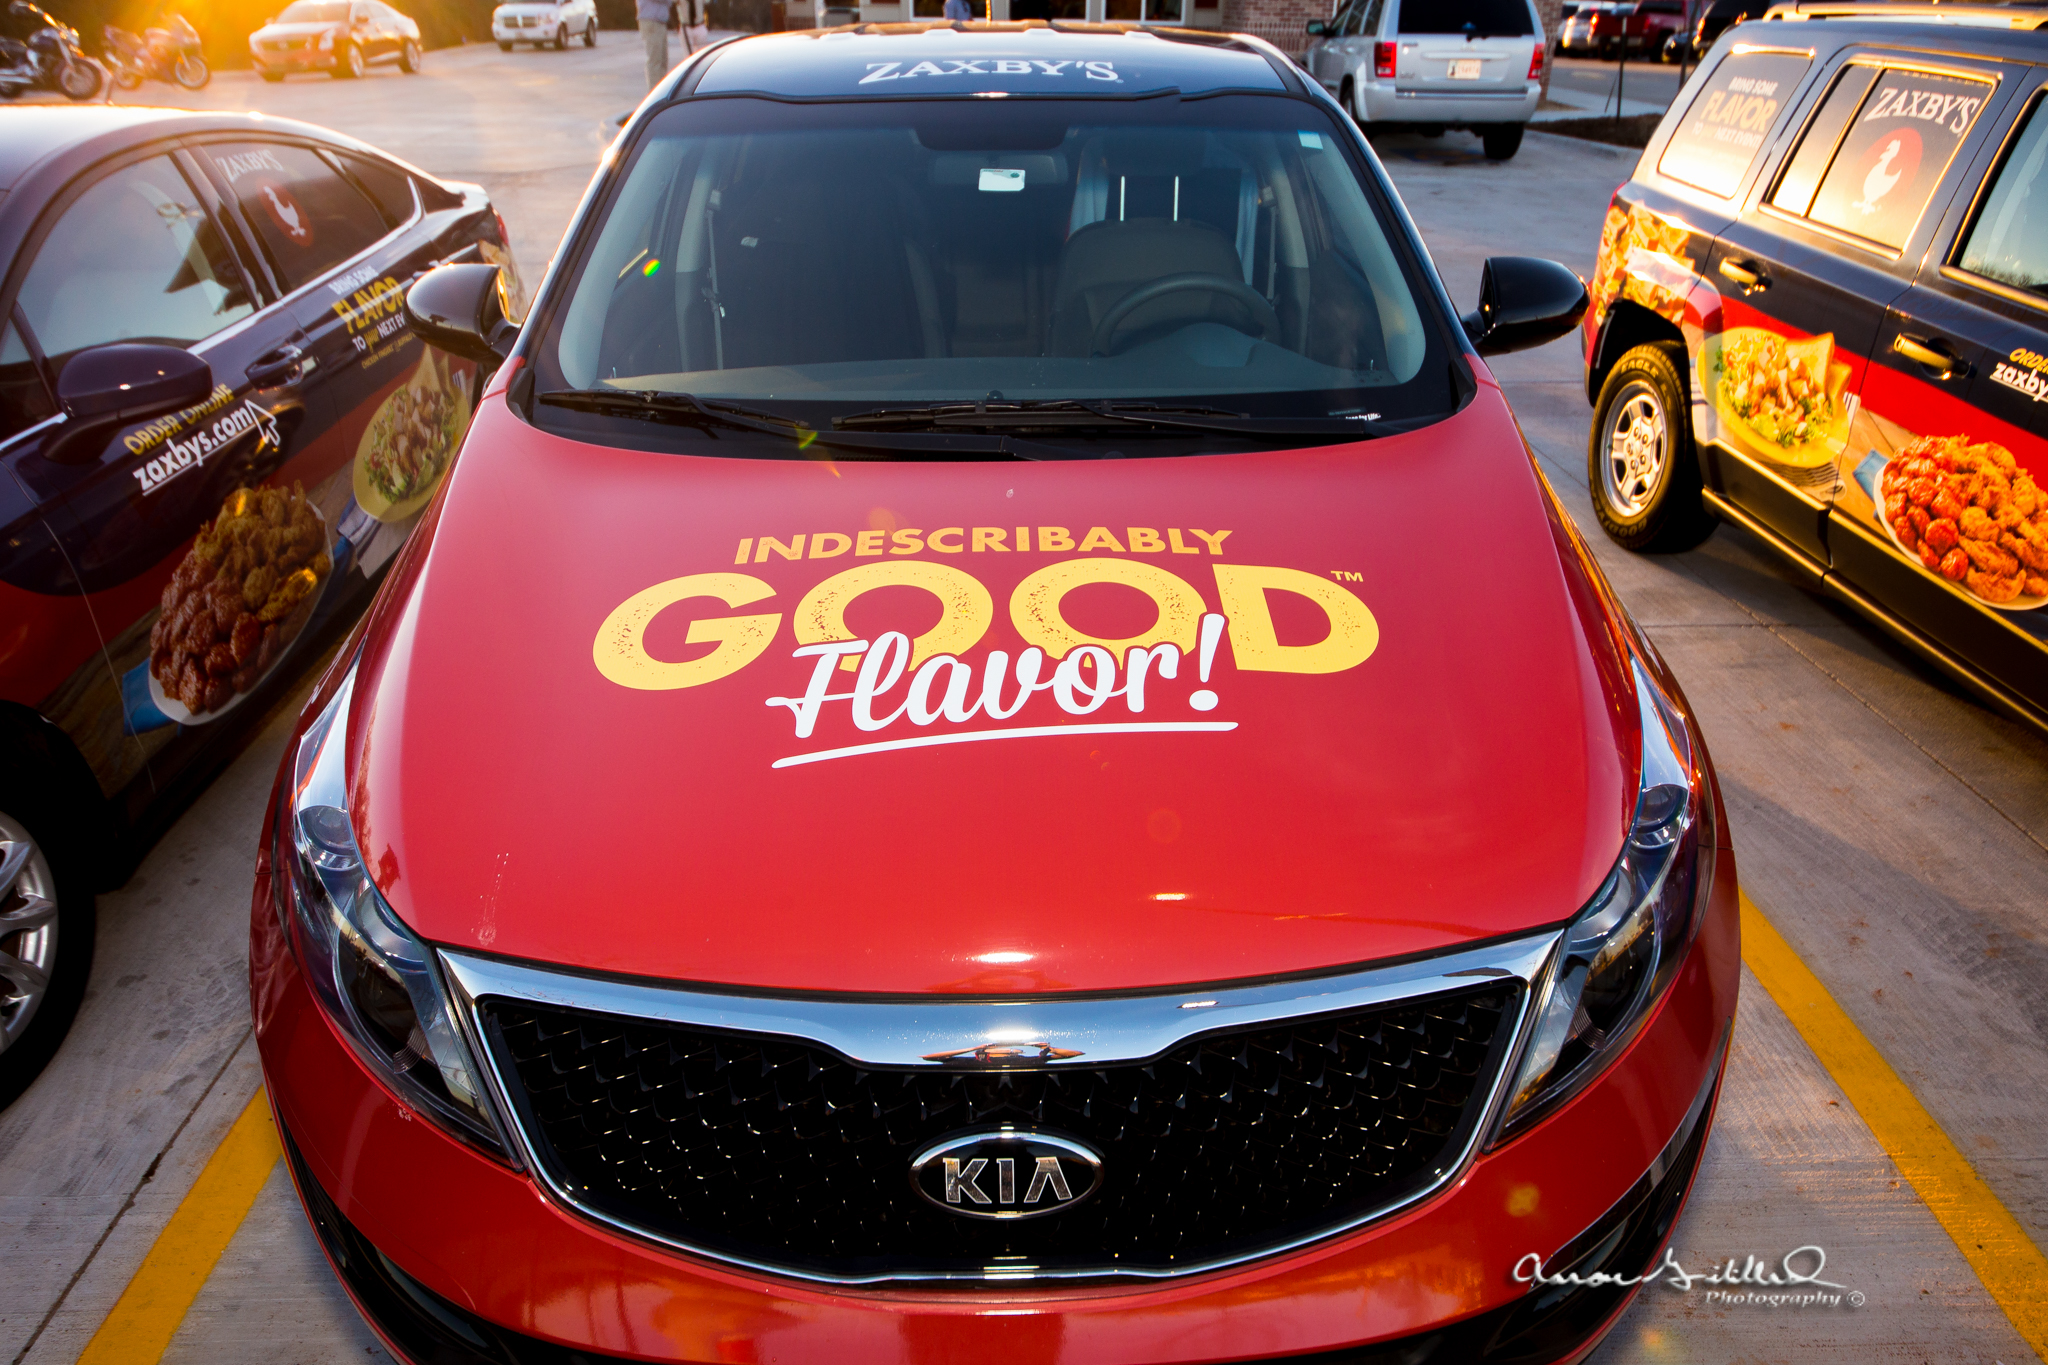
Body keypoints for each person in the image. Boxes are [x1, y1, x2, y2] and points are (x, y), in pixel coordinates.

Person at [639, 0, 669, 92]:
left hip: (659, 21)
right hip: (652, 21)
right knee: (655, 61)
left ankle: (662, 92)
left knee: (662, 60)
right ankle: (655, 93)